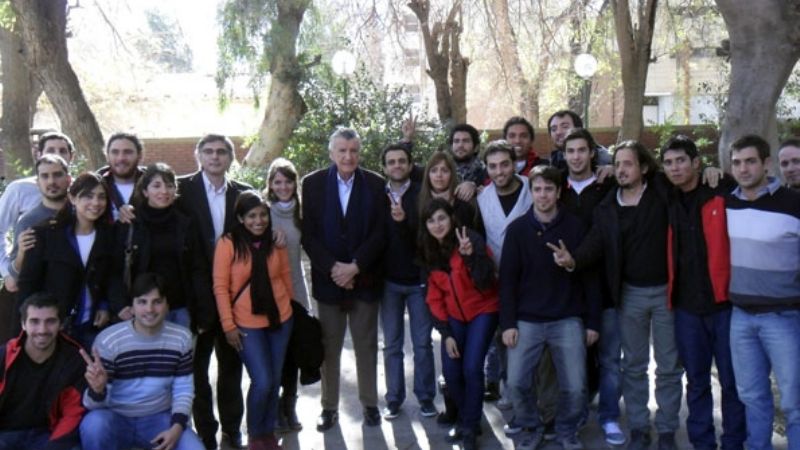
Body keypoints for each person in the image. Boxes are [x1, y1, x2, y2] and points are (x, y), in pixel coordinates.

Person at [551, 141, 683, 450]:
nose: (622, 170)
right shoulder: (608, 206)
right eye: (619, 164)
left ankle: (666, 429)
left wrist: (714, 171)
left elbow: (685, 175)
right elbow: (595, 243)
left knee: (668, 367)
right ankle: (638, 427)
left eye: (628, 164)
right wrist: (573, 260)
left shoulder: (663, 191)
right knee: (633, 365)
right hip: (630, 295)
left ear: (644, 168)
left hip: (666, 293)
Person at [501, 166, 601, 450]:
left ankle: (566, 429)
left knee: (575, 386)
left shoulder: (576, 226)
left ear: (559, 192)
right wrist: (508, 323)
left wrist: (592, 322)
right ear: (530, 192)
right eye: (537, 189)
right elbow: (508, 281)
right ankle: (531, 427)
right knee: (517, 382)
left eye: (548, 189)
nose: (542, 195)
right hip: (526, 319)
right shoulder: (518, 230)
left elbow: (590, 276)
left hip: (567, 318)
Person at [661, 135, 746, 450]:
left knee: (731, 381)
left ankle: (735, 441)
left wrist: (718, 171)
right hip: (685, 308)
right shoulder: (665, 195)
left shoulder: (720, 189)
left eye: (681, 160)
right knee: (696, 382)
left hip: (724, 304)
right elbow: (629, 170)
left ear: (696, 162)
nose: (675, 168)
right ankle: (702, 442)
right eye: (668, 163)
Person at [301, 127, 387, 431]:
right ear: (332, 153)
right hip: (328, 281)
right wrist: (335, 268)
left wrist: (355, 266)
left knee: (366, 346)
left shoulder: (377, 184)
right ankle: (329, 407)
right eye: (342, 150)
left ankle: (370, 404)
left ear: (359, 152)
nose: (348, 156)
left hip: (365, 279)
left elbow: (380, 232)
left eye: (353, 150)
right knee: (329, 348)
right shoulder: (311, 184)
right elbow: (308, 234)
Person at [725, 135, 800, 450]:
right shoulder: (727, 202)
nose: (743, 169)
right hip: (741, 317)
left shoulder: (793, 204)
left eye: (750, 161)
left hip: (783, 317)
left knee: (794, 400)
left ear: (766, 164)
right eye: (737, 162)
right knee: (752, 397)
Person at [177, 134, 248, 449]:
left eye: (221, 152)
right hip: (194, 296)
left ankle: (232, 429)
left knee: (231, 368)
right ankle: (206, 432)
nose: (215, 157)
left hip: (234, 298)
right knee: (197, 370)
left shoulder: (244, 195)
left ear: (230, 158)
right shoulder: (180, 190)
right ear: (198, 156)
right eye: (208, 152)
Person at [79, 272, 204, 450]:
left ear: (167, 304)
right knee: (94, 425)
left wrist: (176, 428)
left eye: (157, 302)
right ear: (132, 305)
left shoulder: (181, 338)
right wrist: (98, 390)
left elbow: (183, 389)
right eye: (142, 302)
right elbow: (92, 405)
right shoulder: (109, 340)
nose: (150, 310)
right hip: (116, 417)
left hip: (159, 418)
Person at [213, 191, 294, 450]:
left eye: (262, 215)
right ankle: (255, 436)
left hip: (280, 318)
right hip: (246, 323)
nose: (258, 221)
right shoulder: (228, 243)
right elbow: (220, 287)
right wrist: (228, 325)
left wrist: (291, 308)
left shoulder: (274, 240)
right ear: (240, 218)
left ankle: (268, 434)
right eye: (251, 216)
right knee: (263, 381)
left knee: (276, 378)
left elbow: (285, 274)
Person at [559, 128, 624, 446]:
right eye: (570, 151)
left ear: (592, 153)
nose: (576, 157)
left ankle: (610, 416)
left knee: (611, 357)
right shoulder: (557, 187)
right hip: (569, 291)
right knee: (578, 358)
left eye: (581, 150)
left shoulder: (608, 185)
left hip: (607, 285)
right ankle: (578, 412)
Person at [419, 198, 499, 450]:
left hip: (483, 310)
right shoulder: (429, 250)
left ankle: (469, 428)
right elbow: (433, 298)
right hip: (454, 317)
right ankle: (468, 420)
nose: (437, 224)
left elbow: (487, 282)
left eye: (442, 218)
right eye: (431, 221)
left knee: (472, 368)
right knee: (452, 372)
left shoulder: (468, 239)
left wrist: (471, 257)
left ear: (452, 218)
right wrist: (446, 333)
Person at [110, 163, 213, 332]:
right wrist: (120, 305)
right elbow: (114, 268)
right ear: (145, 191)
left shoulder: (185, 224)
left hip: (180, 308)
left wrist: (204, 312)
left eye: (169, 186)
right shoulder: (129, 224)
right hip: (140, 309)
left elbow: (198, 269)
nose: (164, 191)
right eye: (156, 186)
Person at [17, 172, 114, 350]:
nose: (96, 203)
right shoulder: (45, 234)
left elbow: (111, 276)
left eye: (101, 197)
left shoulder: (108, 235)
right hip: (53, 328)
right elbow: (28, 283)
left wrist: (104, 305)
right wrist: (29, 326)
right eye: (88, 196)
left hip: (93, 327)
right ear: (72, 198)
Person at [378, 143, 437, 420]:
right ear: (385, 167)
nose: (397, 165)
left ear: (411, 165)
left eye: (402, 161)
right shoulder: (378, 194)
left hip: (417, 280)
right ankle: (393, 398)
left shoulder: (422, 194)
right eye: (391, 162)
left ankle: (426, 397)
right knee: (392, 345)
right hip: (388, 281)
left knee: (423, 343)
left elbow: (426, 235)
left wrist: (403, 221)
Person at [475, 140, 532, 412]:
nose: (499, 171)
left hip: (531, 280)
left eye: (505, 164)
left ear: (515, 163)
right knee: (502, 338)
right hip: (496, 281)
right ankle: (508, 388)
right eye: (493, 166)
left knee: (528, 338)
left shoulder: (533, 189)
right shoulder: (481, 197)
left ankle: (530, 393)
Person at [0, 132, 74, 342]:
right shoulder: (22, 200)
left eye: (62, 151)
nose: (51, 181)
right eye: (51, 150)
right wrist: (7, 271)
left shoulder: (83, 202)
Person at [0, 293, 86, 450]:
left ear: (61, 324)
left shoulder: (74, 360)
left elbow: (72, 412)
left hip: (47, 435)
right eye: (34, 321)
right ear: (23, 324)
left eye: (50, 321)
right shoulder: (3, 356)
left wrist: (54, 446)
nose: (42, 330)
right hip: (5, 434)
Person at [265, 157, 309, 432]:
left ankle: (289, 407)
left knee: (293, 354)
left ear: (295, 183)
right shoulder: (262, 211)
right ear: (270, 184)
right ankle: (272, 410)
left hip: (297, 291)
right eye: (277, 182)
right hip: (269, 294)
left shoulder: (302, 213)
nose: (283, 187)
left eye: (287, 181)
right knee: (273, 356)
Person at [7, 155, 72, 287]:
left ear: (69, 179)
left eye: (57, 175)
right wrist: (21, 253)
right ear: (38, 182)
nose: (51, 181)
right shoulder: (27, 222)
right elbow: (14, 279)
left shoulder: (82, 214)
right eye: (45, 176)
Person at [98, 132, 145, 220]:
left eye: (127, 152)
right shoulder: (94, 185)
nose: (121, 158)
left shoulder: (155, 186)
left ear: (140, 155)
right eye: (115, 152)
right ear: (107, 156)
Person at [546, 110, 611, 169]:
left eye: (565, 127)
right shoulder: (554, 159)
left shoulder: (603, 158)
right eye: (554, 129)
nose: (558, 132)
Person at [447, 124, 488, 201]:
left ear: (476, 147)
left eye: (465, 141)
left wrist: (474, 186)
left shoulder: (487, 171)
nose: (460, 145)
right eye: (456, 141)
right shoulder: (442, 170)